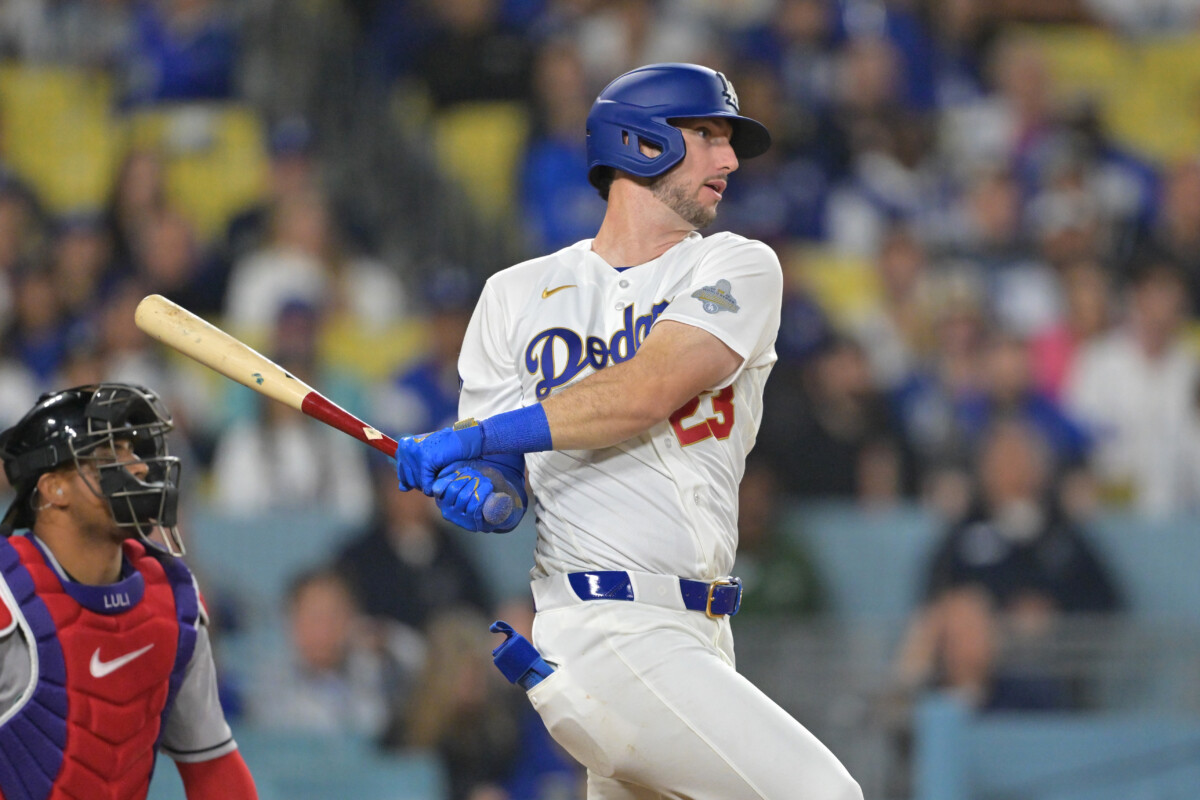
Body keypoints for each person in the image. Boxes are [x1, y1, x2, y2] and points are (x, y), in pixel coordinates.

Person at [394, 63, 862, 800]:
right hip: (604, 628)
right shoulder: (513, 295)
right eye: (708, 135)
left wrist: (478, 444)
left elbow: (644, 391)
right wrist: (484, 492)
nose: (730, 160)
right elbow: (506, 485)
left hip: (699, 632)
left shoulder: (736, 264)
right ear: (642, 144)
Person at [0, 383, 256, 799]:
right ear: (53, 488)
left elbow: (212, 765)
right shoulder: (6, 594)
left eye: (134, 452)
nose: (137, 468)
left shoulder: (173, 598)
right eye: (108, 456)